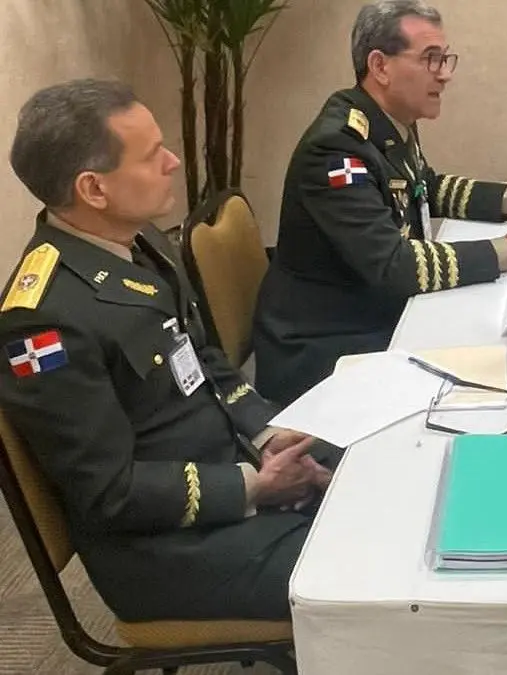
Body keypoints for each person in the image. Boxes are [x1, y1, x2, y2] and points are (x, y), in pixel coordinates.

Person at [0, 79, 341, 622]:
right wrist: (255, 486)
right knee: (370, 572)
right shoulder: (43, 321)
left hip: (231, 463)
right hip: (168, 551)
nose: (173, 162)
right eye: (151, 154)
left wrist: (268, 434)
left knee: (379, 465)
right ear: (94, 188)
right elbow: (110, 492)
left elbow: (201, 358)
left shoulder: (141, 242)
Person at [253, 0, 507, 405]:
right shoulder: (336, 149)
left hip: (377, 313)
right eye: (431, 59)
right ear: (380, 66)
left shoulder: (387, 121)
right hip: (327, 345)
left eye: (445, 59)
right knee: (493, 378)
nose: (445, 74)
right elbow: (393, 265)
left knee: (492, 336)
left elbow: (424, 187)